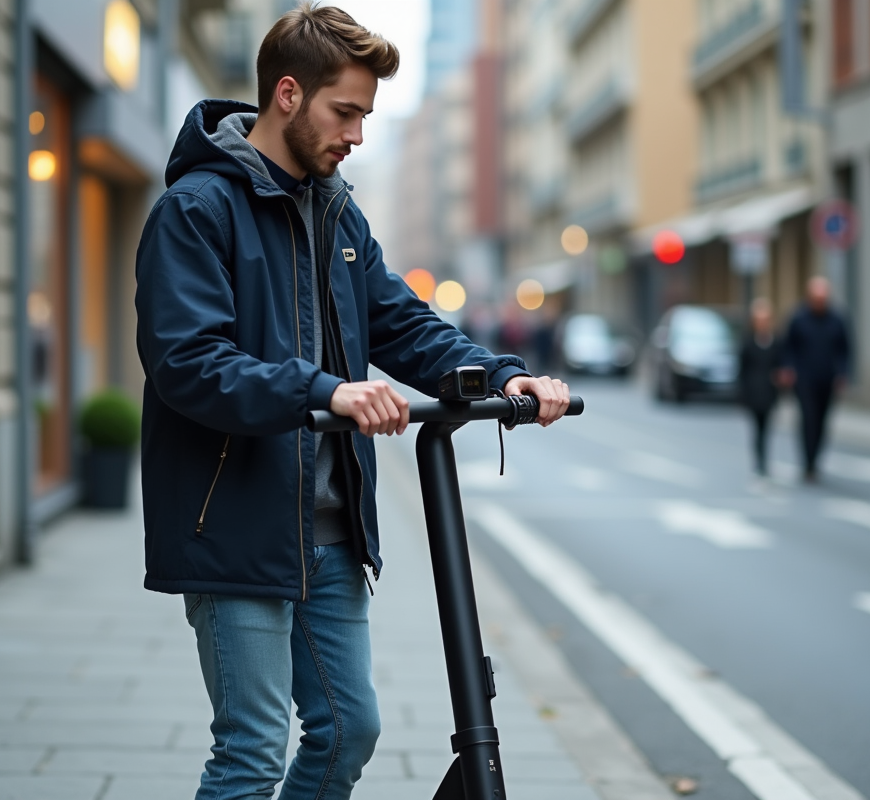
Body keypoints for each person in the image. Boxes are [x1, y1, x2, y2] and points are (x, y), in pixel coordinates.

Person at [133, 6, 571, 799]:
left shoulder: (336, 214)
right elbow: (187, 364)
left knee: (349, 732)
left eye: (367, 116)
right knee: (253, 750)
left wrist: (503, 376)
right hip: (236, 520)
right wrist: (325, 388)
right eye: (347, 112)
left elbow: (399, 322)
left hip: (331, 530)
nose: (358, 135)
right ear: (289, 95)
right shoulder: (195, 212)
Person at [782, 276, 850, 482]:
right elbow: (788, 347)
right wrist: (788, 369)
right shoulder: (798, 318)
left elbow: (845, 349)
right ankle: (808, 462)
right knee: (808, 419)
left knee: (822, 421)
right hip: (805, 380)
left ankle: (816, 459)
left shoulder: (837, 319)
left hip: (827, 379)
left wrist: (842, 373)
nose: (819, 302)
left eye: (823, 298)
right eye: (816, 298)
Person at [738, 298, 784, 476]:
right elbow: (742, 369)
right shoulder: (748, 342)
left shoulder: (776, 342)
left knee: (767, 428)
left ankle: (764, 459)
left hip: (769, 392)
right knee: (756, 428)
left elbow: (780, 365)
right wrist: (742, 395)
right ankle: (759, 460)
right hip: (753, 393)